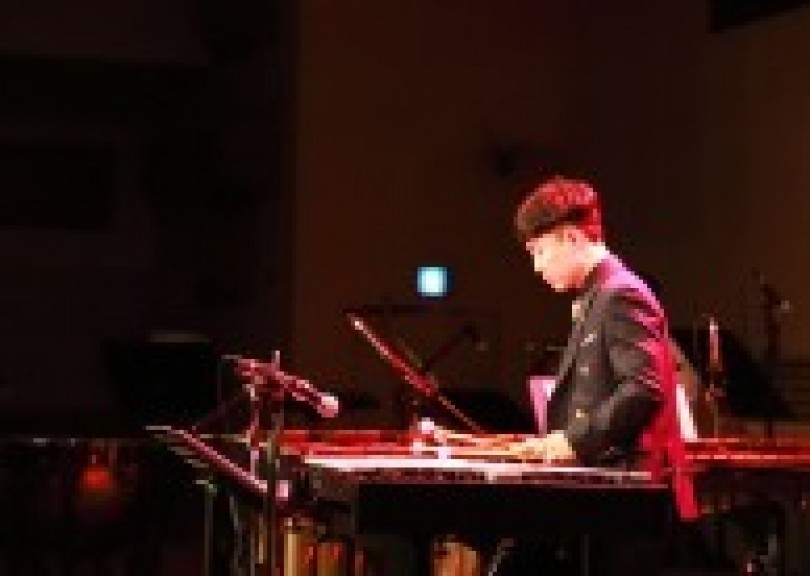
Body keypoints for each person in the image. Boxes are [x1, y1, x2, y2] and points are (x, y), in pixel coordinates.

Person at [496, 175, 697, 575]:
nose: (536, 267)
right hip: (616, 497)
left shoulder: (621, 293)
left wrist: (573, 441)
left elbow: (642, 389)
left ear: (571, 238)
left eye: (539, 251)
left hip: (633, 501)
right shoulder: (598, 295)